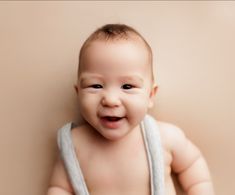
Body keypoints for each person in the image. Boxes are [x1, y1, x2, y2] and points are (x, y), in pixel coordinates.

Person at [47, 24, 214, 195]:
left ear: (150, 95)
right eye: (95, 86)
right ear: (79, 93)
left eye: (127, 86)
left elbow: (193, 165)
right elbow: (59, 188)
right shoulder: (74, 144)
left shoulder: (165, 137)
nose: (111, 100)